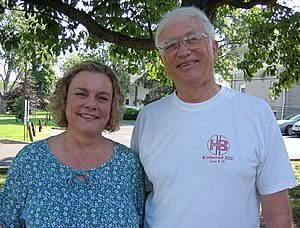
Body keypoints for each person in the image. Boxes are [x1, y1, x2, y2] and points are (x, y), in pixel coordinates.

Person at [131, 6, 296, 228]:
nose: (183, 51)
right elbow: (138, 196)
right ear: (163, 60)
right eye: (171, 45)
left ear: (214, 48)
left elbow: (277, 213)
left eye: (192, 39)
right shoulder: (148, 118)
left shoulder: (256, 113)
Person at [0, 61, 144, 227]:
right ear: (64, 98)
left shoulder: (128, 165)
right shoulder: (30, 160)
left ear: (112, 106)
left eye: (102, 98)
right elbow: (6, 221)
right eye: (81, 94)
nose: (91, 104)